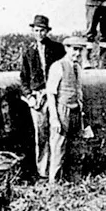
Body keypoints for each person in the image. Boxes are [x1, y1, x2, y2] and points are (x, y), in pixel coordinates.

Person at [20, 15, 65, 179]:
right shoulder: (28, 52)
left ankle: (56, 170)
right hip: (38, 97)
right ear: (32, 31)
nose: (39, 33)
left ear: (47, 31)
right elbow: (24, 78)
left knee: (57, 131)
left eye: (42, 30)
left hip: (55, 95)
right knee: (41, 135)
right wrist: (29, 96)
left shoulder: (57, 49)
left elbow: (64, 70)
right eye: (36, 30)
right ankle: (43, 172)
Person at [47, 36, 88, 183]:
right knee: (58, 147)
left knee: (76, 147)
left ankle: (74, 181)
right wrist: (54, 118)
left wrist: (81, 112)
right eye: (74, 49)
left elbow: (78, 90)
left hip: (75, 111)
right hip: (62, 109)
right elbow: (51, 94)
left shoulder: (77, 68)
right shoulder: (58, 66)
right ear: (66, 49)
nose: (77, 53)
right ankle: (54, 183)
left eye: (80, 50)